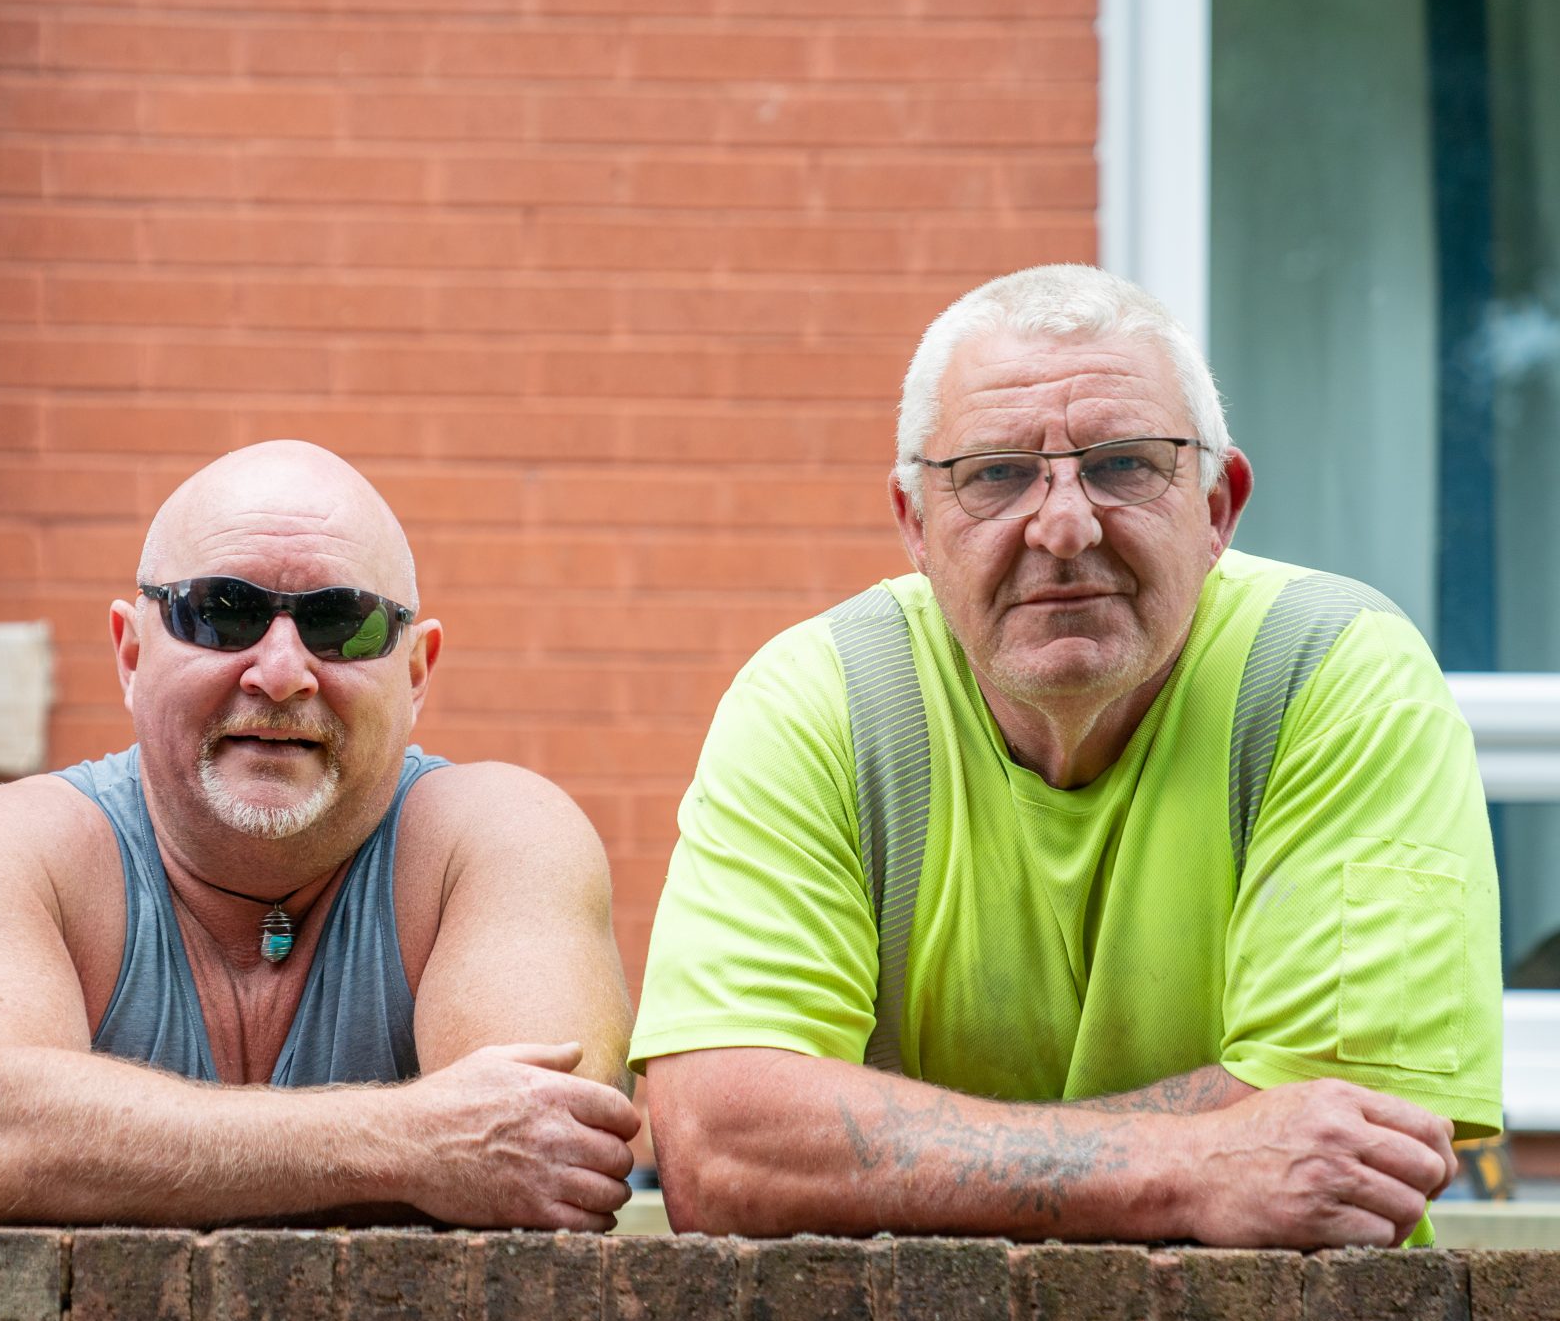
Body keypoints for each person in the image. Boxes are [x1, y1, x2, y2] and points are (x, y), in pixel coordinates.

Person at [636, 264, 1498, 1248]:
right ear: (914, 523)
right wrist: (1191, 1167)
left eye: (1124, 465)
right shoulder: (822, 700)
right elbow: (718, 1148)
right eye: (996, 474)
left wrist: (874, 1153)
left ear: (1218, 507)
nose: (1061, 525)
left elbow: (1349, 1150)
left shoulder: (1329, 670)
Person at [0, 440, 640, 1229]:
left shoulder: (499, 836)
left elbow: (545, 1154)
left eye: (342, 622)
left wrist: (101, 1151)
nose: (280, 672)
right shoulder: (11, 850)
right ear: (132, 654)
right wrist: (415, 1141)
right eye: (221, 613)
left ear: (416, 673)